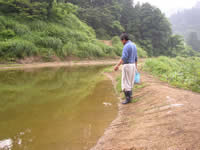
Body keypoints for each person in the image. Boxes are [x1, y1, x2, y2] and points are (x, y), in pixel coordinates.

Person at [114, 33, 138, 104]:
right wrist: (135, 67)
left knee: (125, 82)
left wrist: (117, 65)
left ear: (124, 39)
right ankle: (130, 97)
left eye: (122, 41)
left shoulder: (126, 46)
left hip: (127, 66)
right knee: (130, 82)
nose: (122, 42)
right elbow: (136, 57)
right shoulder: (134, 45)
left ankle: (128, 99)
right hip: (133, 65)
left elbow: (124, 57)